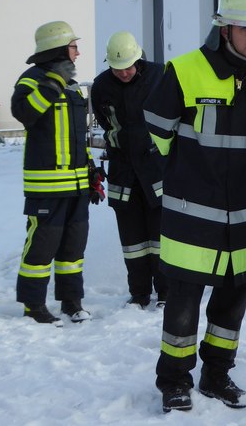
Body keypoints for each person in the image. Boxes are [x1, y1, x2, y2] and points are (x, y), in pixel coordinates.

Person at [143, 0, 246, 413]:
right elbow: (155, 135)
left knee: (232, 303)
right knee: (183, 305)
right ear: (224, 29)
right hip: (192, 214)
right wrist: (187, 178)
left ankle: (216, 375)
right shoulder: (184, 71)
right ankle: (174, 381)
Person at [11, 21, 101, 326]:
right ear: (59, 49)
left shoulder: (73, 85)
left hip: (76, 185)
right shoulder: (32, 79)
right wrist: (51, 85)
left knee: (73, 248)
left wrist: (90, 172)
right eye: (74, 46)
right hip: (47, 185)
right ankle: (33, 304)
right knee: (42, 245)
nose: (78, 52)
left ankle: (71, 302)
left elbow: (77, 135)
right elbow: (24, 113)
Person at [91, 31, 167, 309]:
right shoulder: (100, 86)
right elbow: (105, 122)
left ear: (139, 59)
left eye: (128, 67)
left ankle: (166, 294)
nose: (123, 73)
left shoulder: (159, 76)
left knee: (160, 239)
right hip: (123, 172)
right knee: (132, 241)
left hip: (156, 171)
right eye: (117, 68)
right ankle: (139, 293)